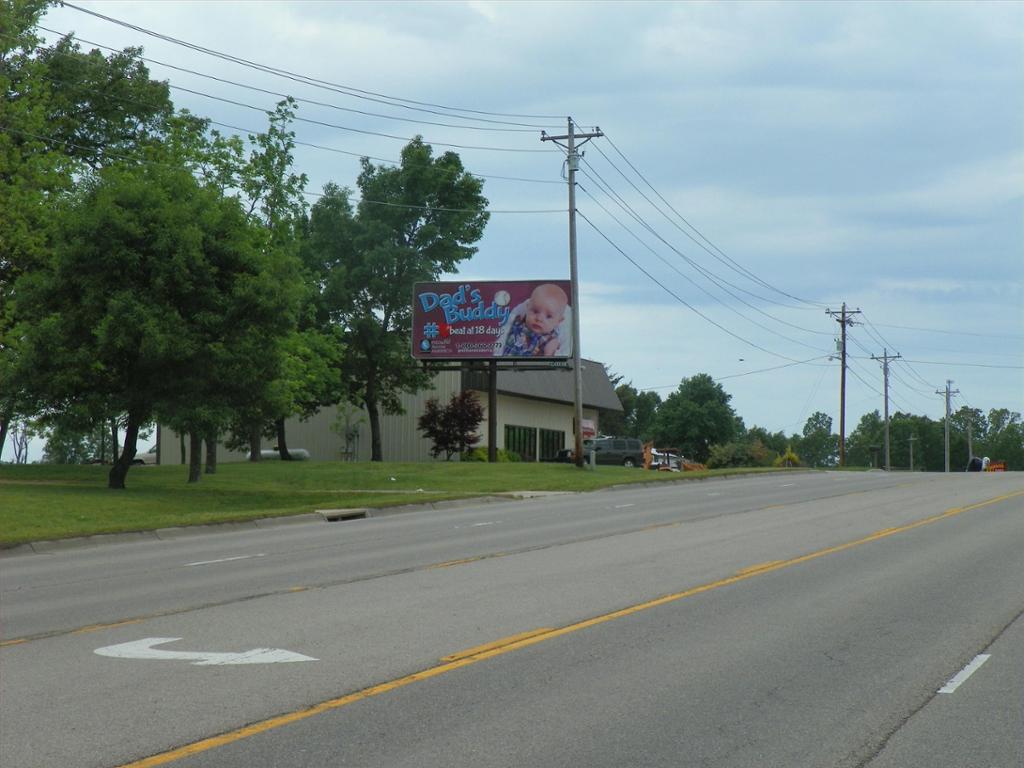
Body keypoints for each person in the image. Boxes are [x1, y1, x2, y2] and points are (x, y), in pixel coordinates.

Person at [498, 283, 570, 357]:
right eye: (535, 311)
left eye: (548, 316)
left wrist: (546, 353)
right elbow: (507, 327)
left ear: (559, 321)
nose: (539, 319)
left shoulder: (549, 340)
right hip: (503, 364)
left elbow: (547, 361)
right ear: (527, 308)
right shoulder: (520, 320)